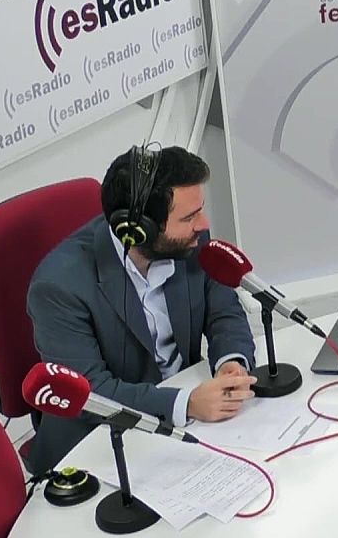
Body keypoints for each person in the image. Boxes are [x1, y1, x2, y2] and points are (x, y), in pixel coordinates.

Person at [25, 145, 257, 473]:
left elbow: (223, 311)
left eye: (199, 211)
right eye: (188, 217)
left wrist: (231, 363)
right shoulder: (58, 286)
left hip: (189, 424)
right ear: (138, 229)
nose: (203, 224)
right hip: (102, 443)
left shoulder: (189, 241)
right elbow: (89, 393)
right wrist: (186, 404)